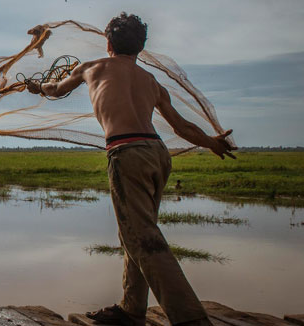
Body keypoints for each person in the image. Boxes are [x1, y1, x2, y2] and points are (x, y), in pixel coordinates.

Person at [26, 13, 235, 326]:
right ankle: (132, 308)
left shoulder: (91, 67)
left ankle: (190, 318)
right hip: (158, 155)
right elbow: (181, 127)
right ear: (141, 47)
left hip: (128, 154)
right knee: (136, 232)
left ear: (108, 43)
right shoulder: (151, 81)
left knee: (142, 237)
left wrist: (38, 87)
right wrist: (212, 143)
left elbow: (56, 90)